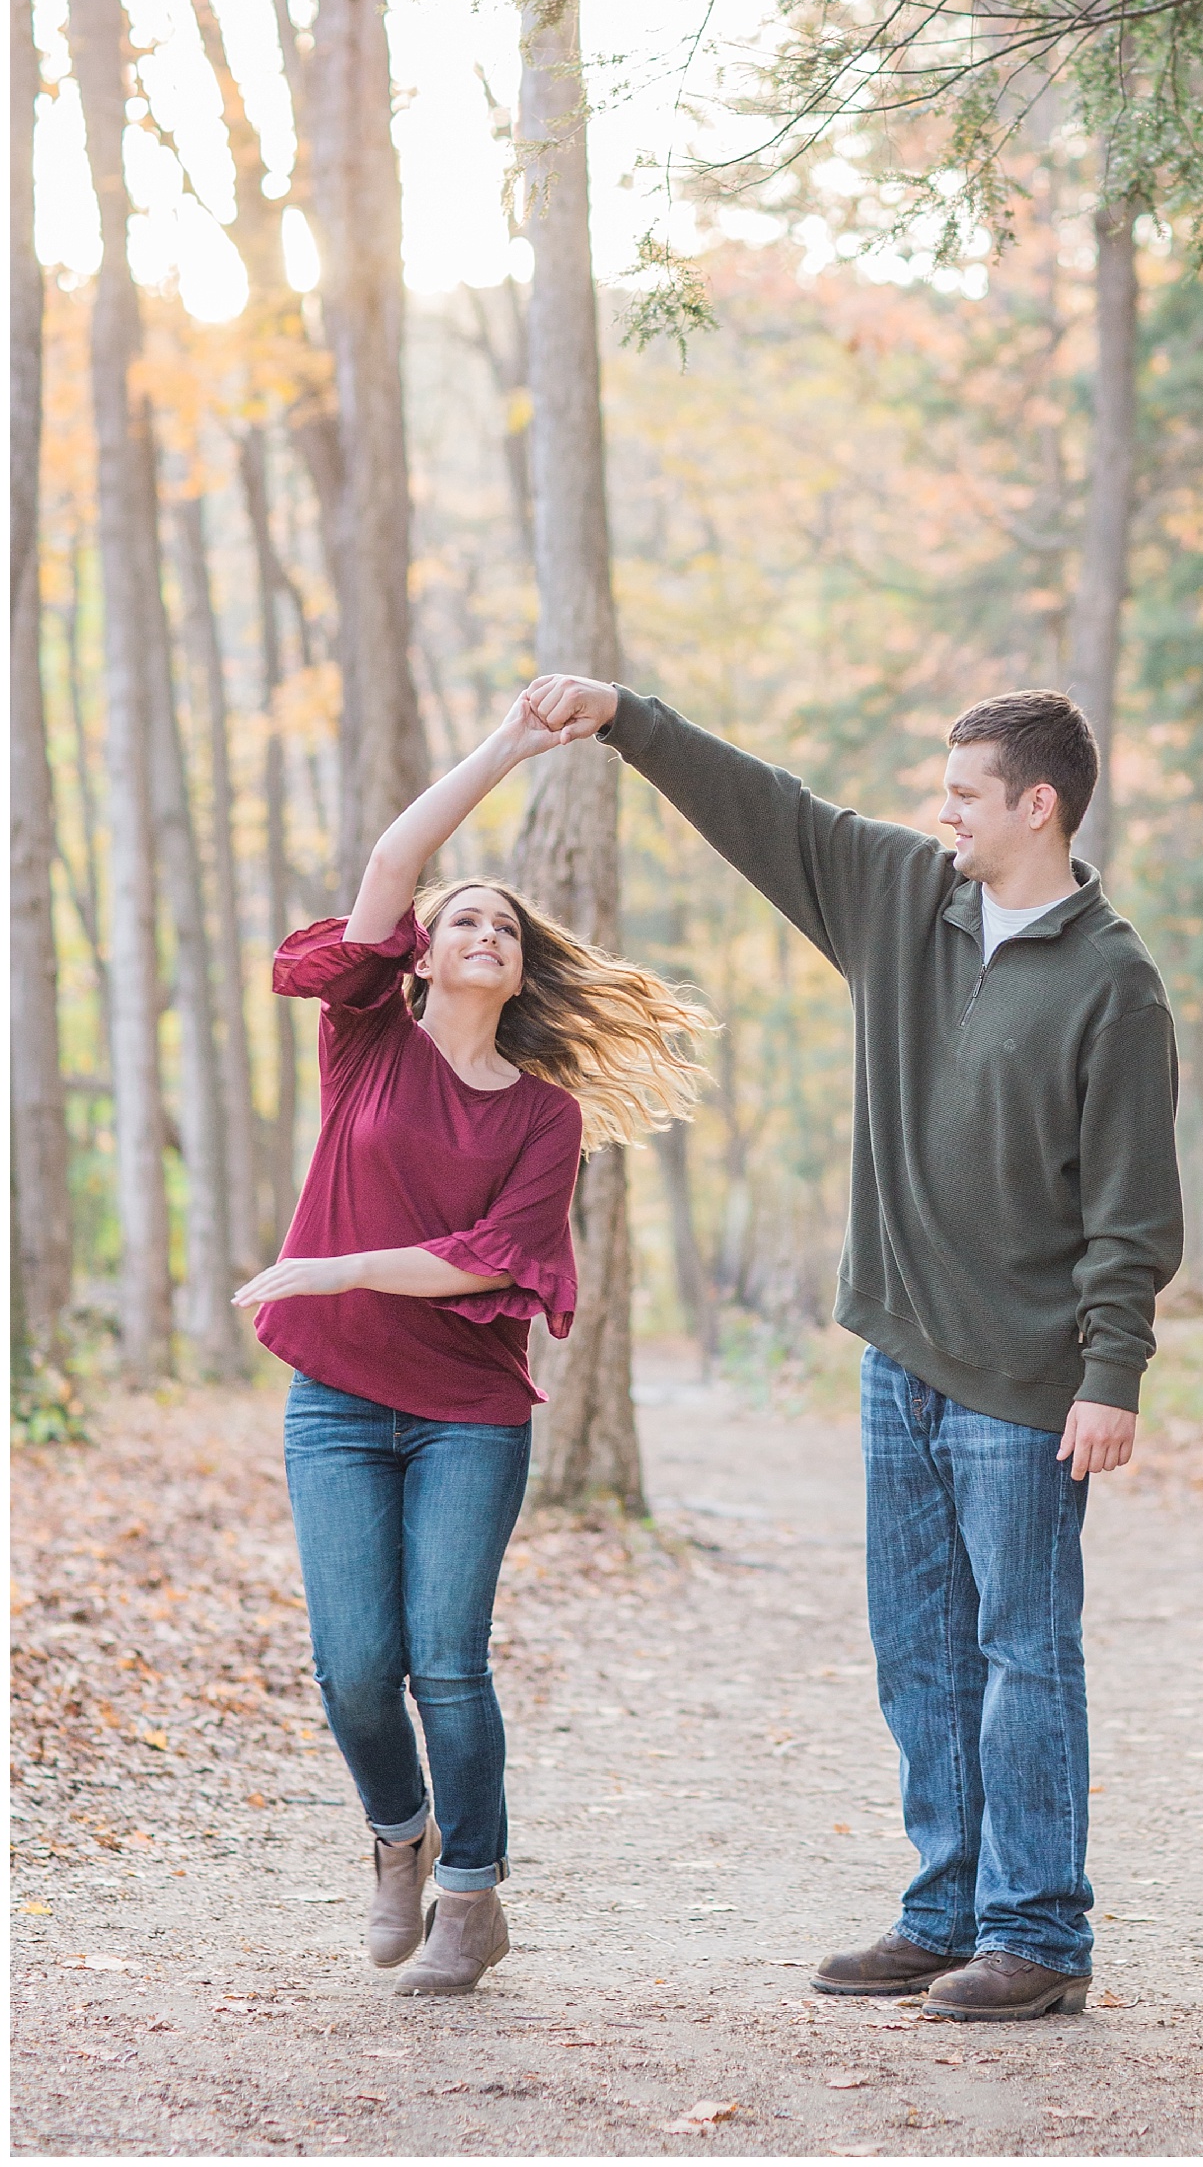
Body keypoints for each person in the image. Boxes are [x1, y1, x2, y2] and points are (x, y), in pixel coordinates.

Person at [522, 673, 1182, 2024]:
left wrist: (1110, 1376)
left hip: (1023, 1381)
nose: (940, 813)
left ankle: (1040, 1932)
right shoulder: (899, 900)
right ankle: (945, 1913)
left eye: (964, 795)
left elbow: (1132, 1210)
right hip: (901, 1357)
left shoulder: (1114, 986)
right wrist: (630, 716)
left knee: (1025, 1652)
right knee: (919, 1647)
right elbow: (766, 809)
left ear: (1036, 806)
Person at [231, 697, 709, 1996]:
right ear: (425, 958)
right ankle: (399, 1838)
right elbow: (391, 868)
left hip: (470, 1417)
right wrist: (503, 749)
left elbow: (477, 1266)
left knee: (445, 1656)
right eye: (463, 920)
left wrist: (330, 1263)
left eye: (502, 922)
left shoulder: (541, 1117)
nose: (483, 929)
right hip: (337, 1398)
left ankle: (472, 1892)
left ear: (519, 965)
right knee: (352, 1666)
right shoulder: (366, 1036)